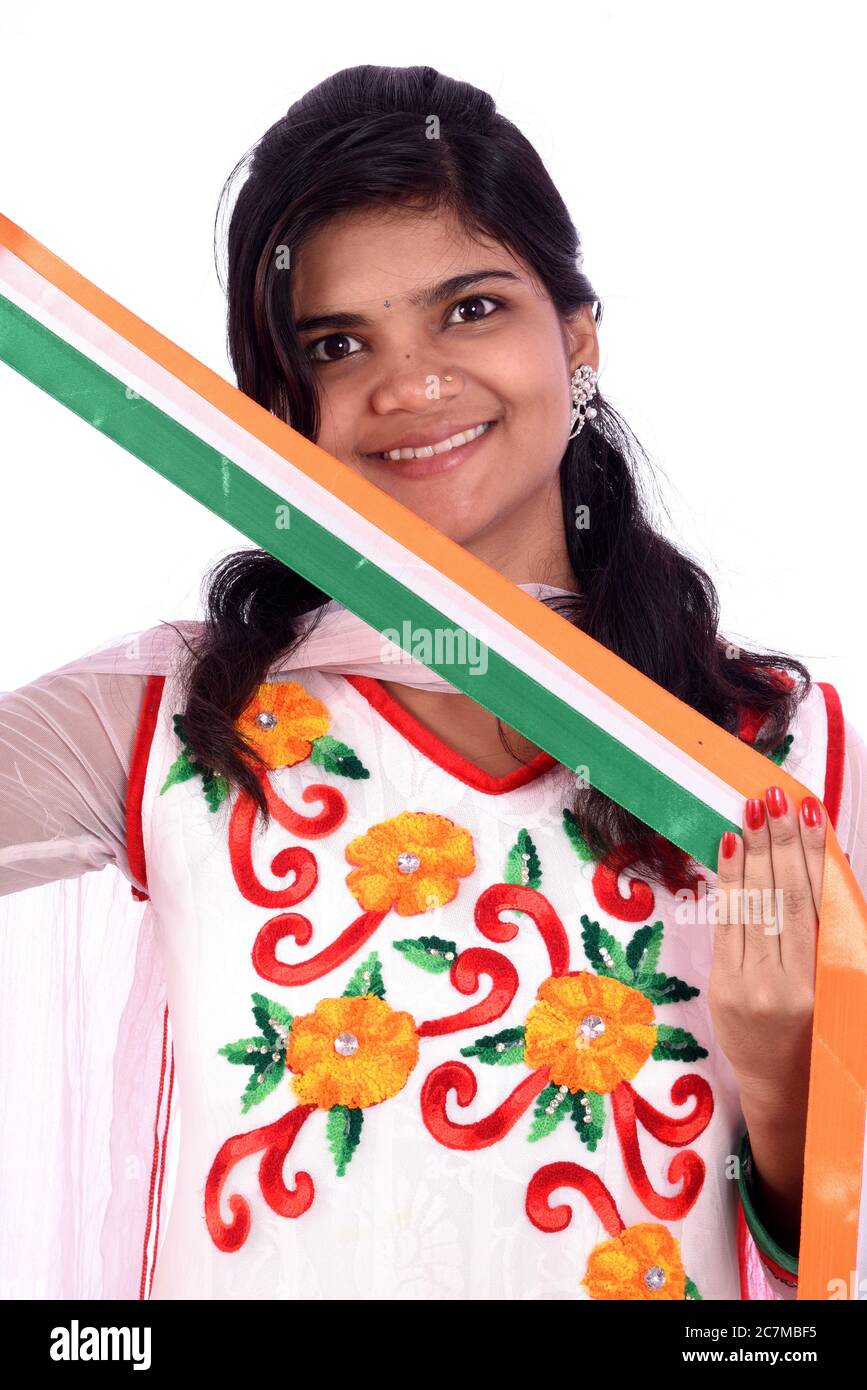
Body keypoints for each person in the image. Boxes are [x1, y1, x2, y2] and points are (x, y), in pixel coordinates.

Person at [2, 64, 866, 1303]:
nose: (409, 385)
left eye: (468, 310)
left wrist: (786, 1074)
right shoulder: (175, 721)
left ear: (575, 340)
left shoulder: (780, 756)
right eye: (338, 344)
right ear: (282, 412)